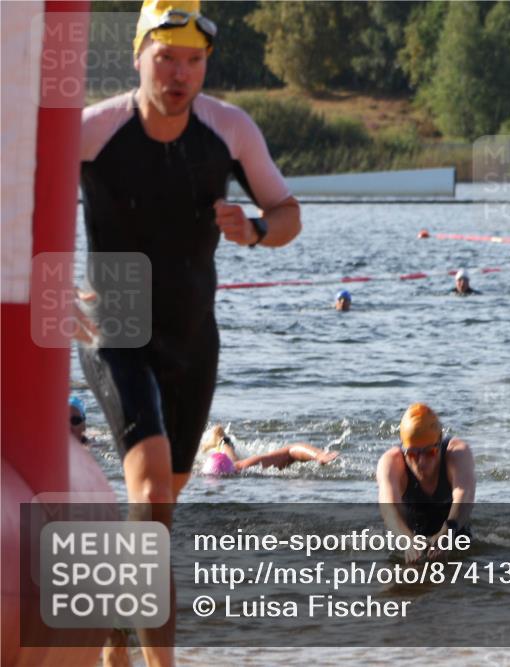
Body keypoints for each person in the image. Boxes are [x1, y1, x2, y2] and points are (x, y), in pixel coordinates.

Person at [77, 4, 301, 664]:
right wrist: (49, 278)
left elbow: (287, 211)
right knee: (150, 498)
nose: (179, 74)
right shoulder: (92, 131)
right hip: (117, 322)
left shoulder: (229, 129)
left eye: (193, 62)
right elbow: (20, 202)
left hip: (193, 336)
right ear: (138, 57)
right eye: (166, 59)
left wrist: (256, 229)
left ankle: (114, 632)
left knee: (158, 509)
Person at [376, 403, 475, 563]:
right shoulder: (391, 462)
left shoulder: (457, 454)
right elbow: (388, 508)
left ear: (439, 443)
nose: (421, 462)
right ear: (404, 448)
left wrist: (447, 533)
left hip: (453, 527)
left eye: (430, 452)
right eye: (413, 454)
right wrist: (407, 540)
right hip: (408, 531)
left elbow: (465, 495)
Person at [198, 424, 338, 475]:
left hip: (234, 465)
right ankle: (220, 438)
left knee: (234, 461)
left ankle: (221, 438)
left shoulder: (243, 467)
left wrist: (319, 455)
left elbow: (291, 450)